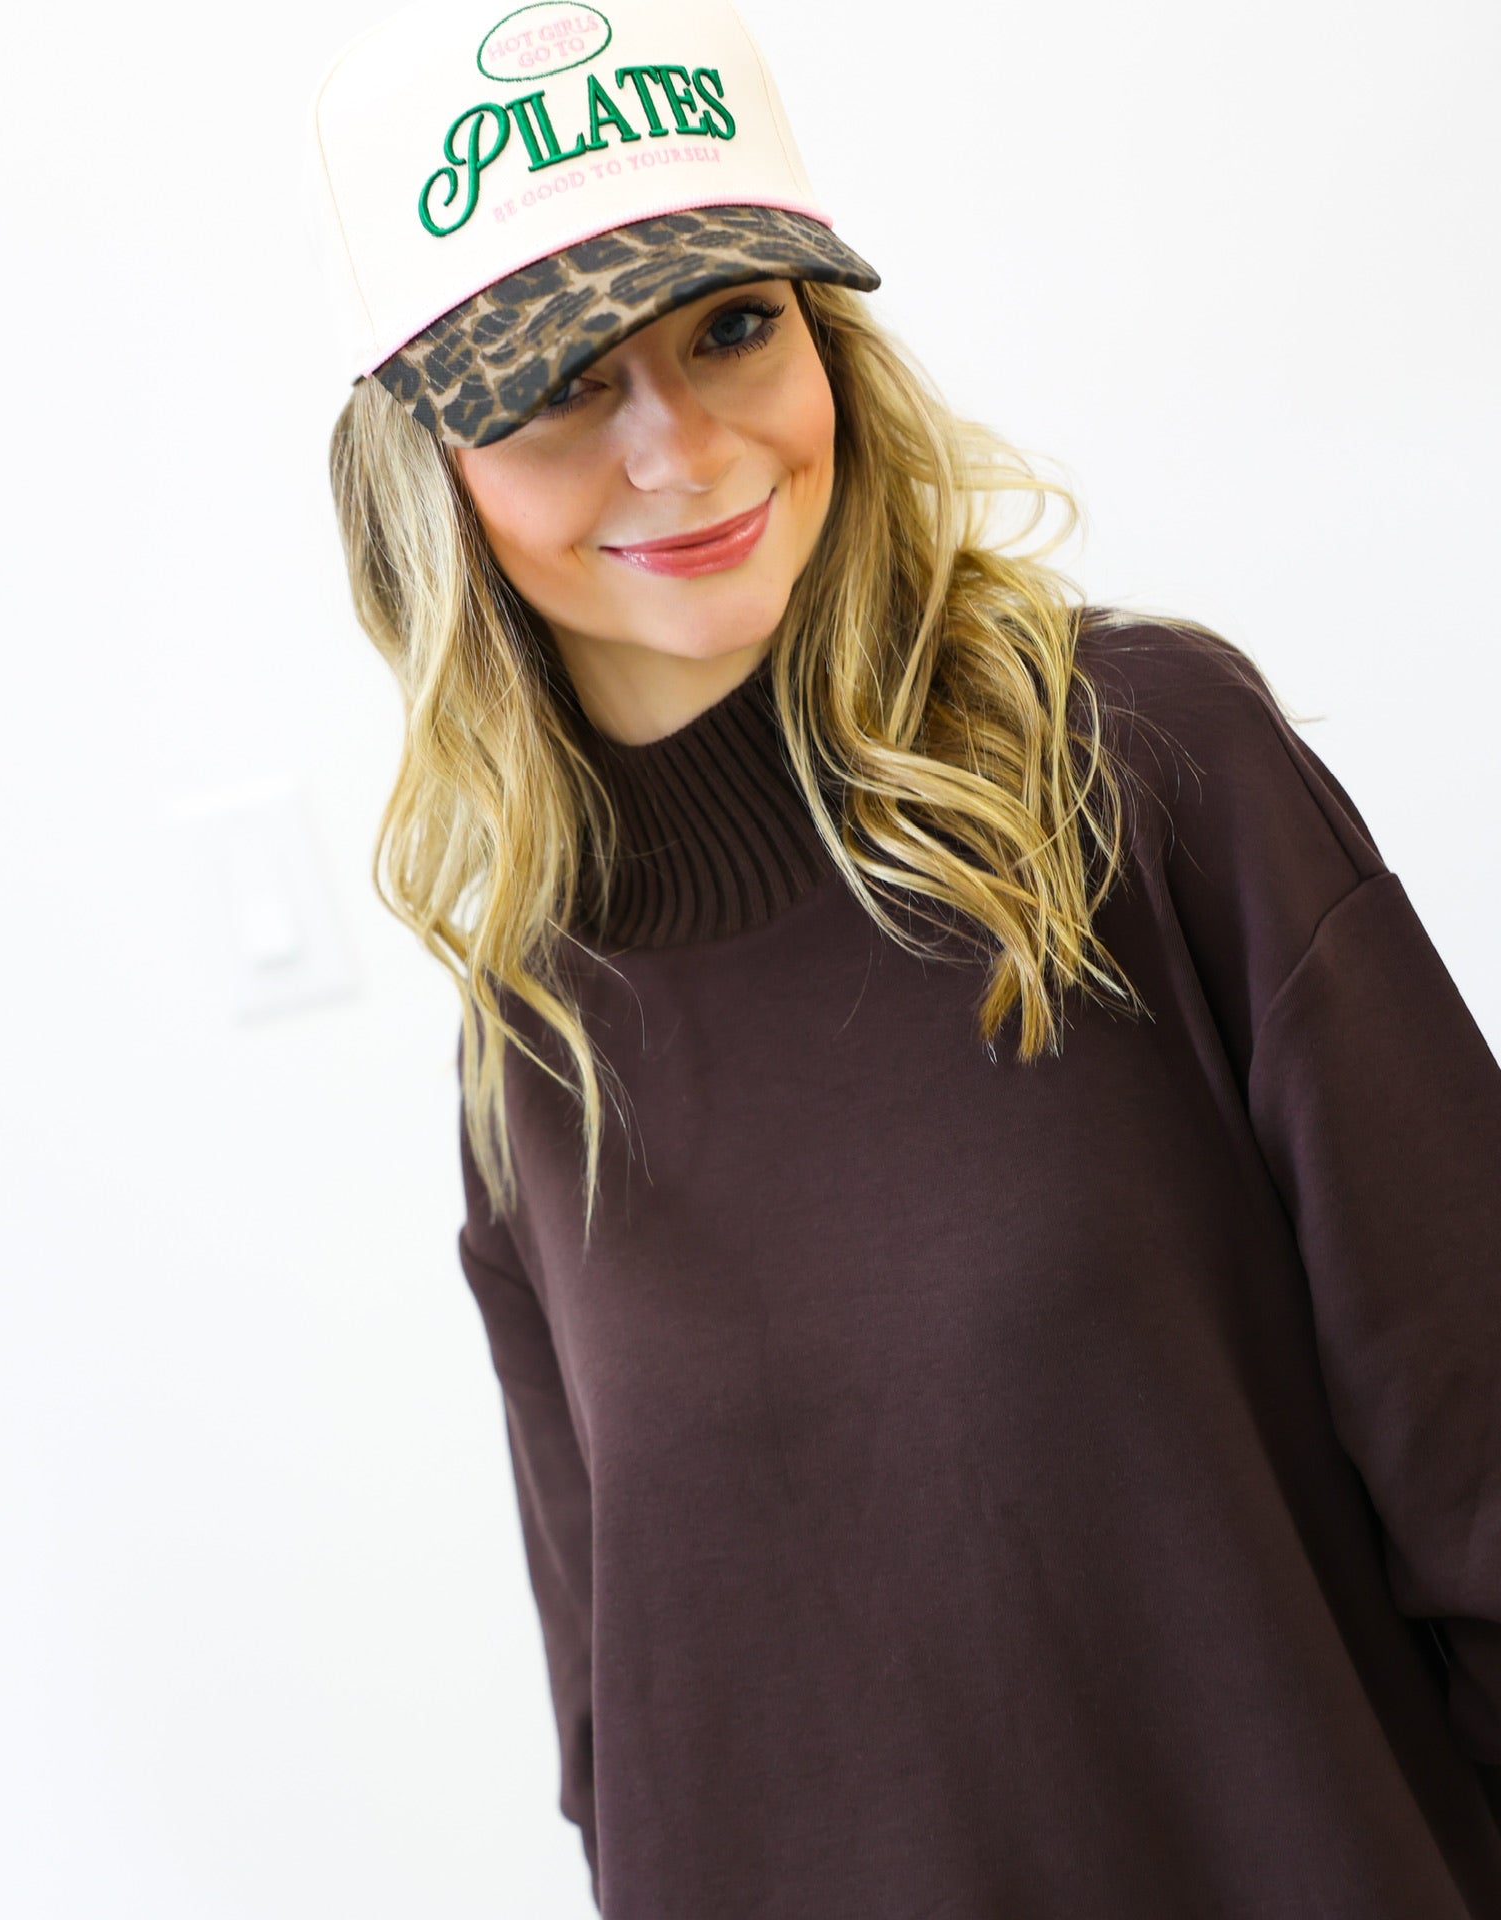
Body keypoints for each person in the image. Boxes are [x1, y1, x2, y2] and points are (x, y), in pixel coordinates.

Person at [306, 1, 1501, 1913]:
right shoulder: (533, 1029)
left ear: (825, 330)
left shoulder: (1145, 772)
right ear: (425, 470)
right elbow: (633, 1740)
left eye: (732, 326)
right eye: (555, 387)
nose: (677, 450)